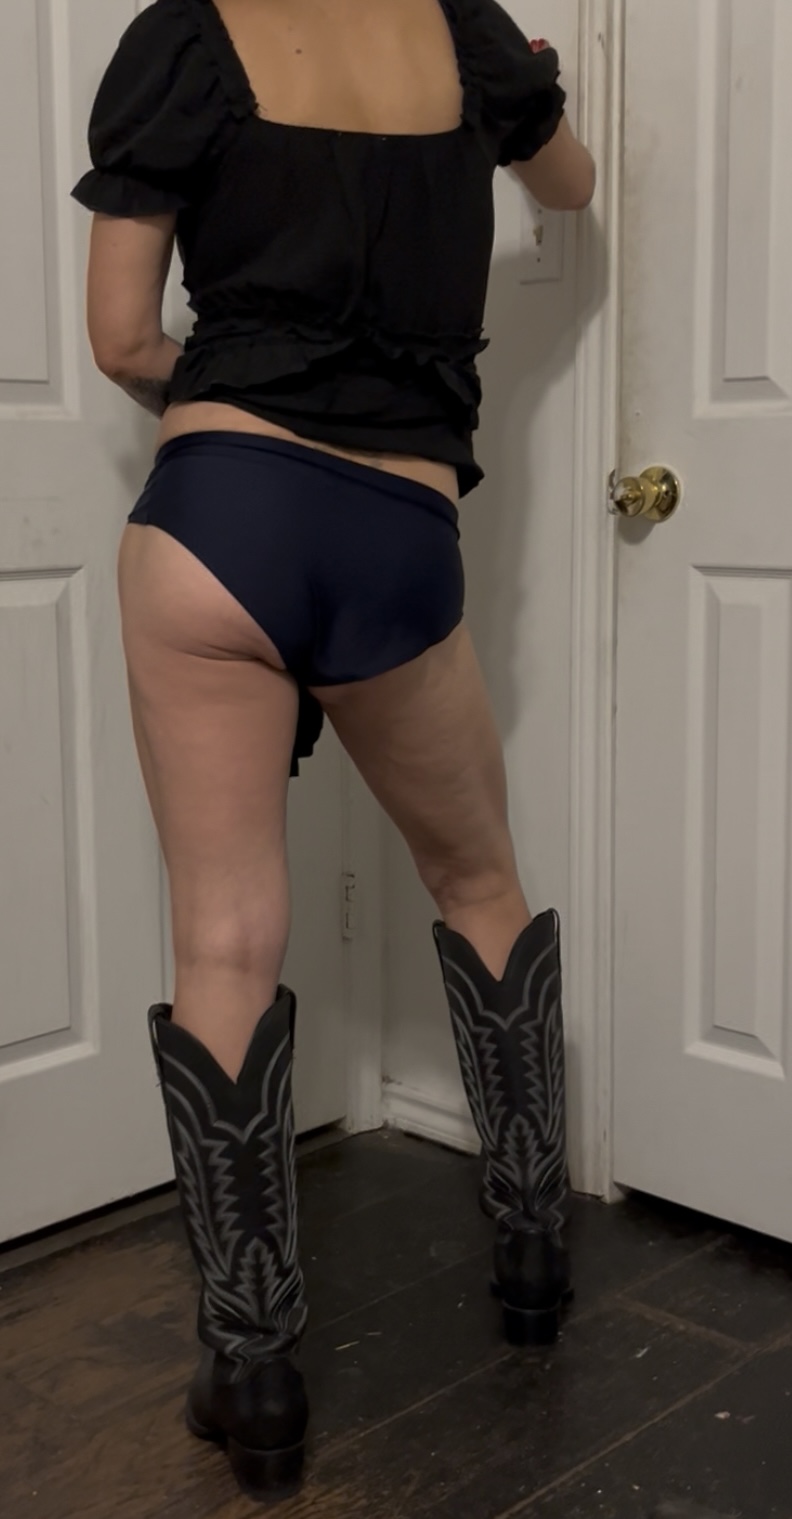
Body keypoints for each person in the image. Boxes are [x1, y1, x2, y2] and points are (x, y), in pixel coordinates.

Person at [72, 0, 595, 1500]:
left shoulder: (183, 36)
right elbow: (571, 188)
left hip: (218, 514)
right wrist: (525, 102)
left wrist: (242, 396)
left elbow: (120, 338)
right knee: (478, 876)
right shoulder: (464, 32)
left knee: (224, 941)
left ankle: (255, 1374)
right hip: (396, 530)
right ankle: (533, 1253)